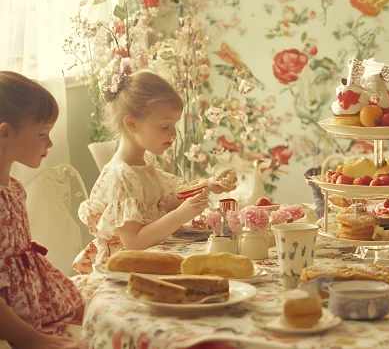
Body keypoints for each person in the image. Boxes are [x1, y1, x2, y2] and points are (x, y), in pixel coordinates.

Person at [72, 69, 234, 301]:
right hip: (126, 271)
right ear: (131, 123)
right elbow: (133, 242)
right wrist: (181, 214)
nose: (173, 134)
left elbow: (161, 204)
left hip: (151, 258)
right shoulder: (121, 175)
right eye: (165, 126)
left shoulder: (144, 163)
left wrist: (206, 187)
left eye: (174, 125)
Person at [0, 71, 83, 349]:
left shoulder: (14, 188)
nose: (49, 143)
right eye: (42, 134)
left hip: (34, 310)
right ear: (5, 133)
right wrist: (33, 340)